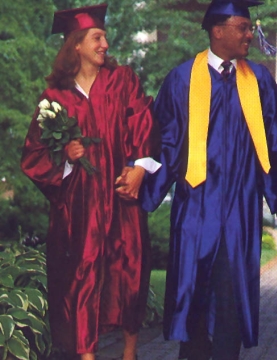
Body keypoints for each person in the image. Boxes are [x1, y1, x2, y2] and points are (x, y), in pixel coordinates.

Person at [138, 0, 277, 359]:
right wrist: (140, 186)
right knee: (194, 302)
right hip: (195, 211)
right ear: (217, 31)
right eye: (243, 27)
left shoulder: (258, 80)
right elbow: (162, 143)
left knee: (231, 303)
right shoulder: (182, 78)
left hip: (239, 213)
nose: (250, 34)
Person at [21, 4, 158, 360]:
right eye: (98, 37)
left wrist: (140, 167)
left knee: (129, 273)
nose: (106, 44)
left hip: (120, 199)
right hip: (79, 208)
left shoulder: (123, 80)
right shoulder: (55, 99)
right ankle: (87, 355)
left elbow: (143, 120)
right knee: (81, 279)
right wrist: (65, 157)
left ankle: (130, 352)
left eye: (106, 37)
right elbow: (34, 155)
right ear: (77, 44)